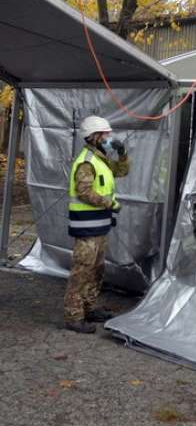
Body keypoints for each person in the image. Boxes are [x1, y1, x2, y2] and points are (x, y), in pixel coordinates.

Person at [64, 115, 130, 333]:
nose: (108, 137)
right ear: (92, 137)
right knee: (82, 271)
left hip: (99, 226)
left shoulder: (100, 158)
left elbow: (122, 172)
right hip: (86, 227)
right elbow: (84, 192)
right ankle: (74, 317)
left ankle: (88, 308)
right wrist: (109, 203)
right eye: (104, 134)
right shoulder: (87, 161)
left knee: (96, 270)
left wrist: (122, 153)